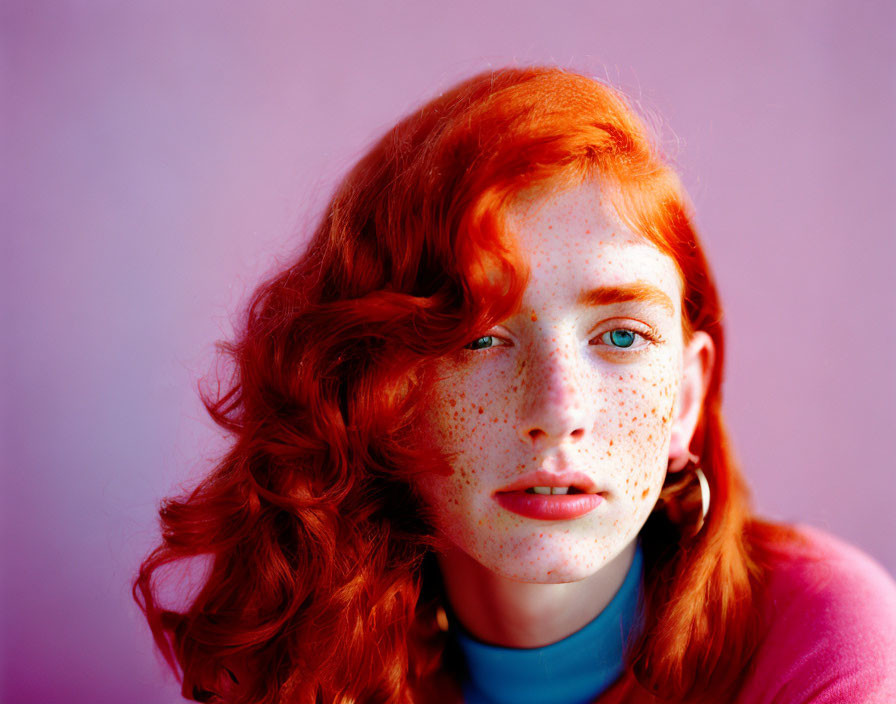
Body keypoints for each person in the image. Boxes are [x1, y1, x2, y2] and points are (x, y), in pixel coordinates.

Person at [134, 67, 896, 704]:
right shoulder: (314, 663)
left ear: (687, 399)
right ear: (371, 393)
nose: (558, 412)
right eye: (479, 338)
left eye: (622, 336)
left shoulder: (822, 635)